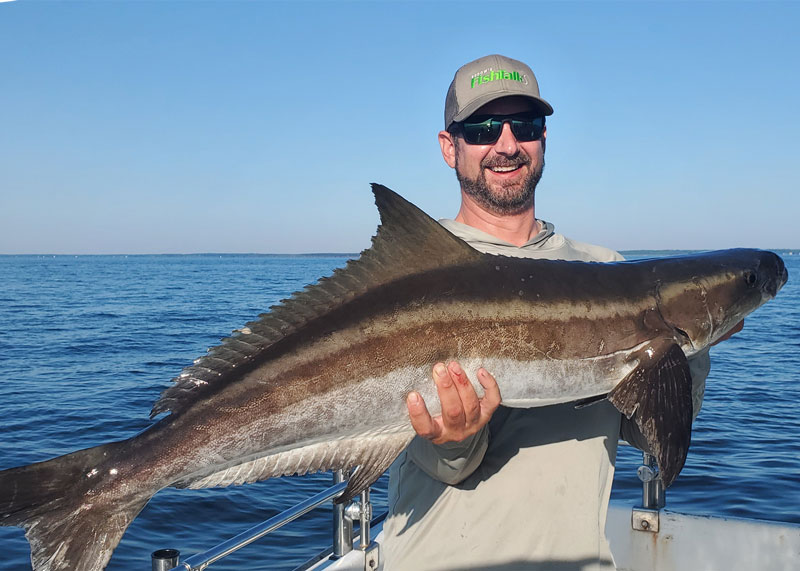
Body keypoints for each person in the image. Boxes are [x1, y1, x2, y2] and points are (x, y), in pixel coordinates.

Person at [381, 54, 714, 571]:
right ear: (450, 147)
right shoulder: (410, 282)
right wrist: (453, 443)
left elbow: (645, 436)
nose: (508, 145)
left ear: (544, 139)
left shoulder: (606, 269)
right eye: (485, 127)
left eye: (527, 126)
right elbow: (439, 461)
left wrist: (691, 344)